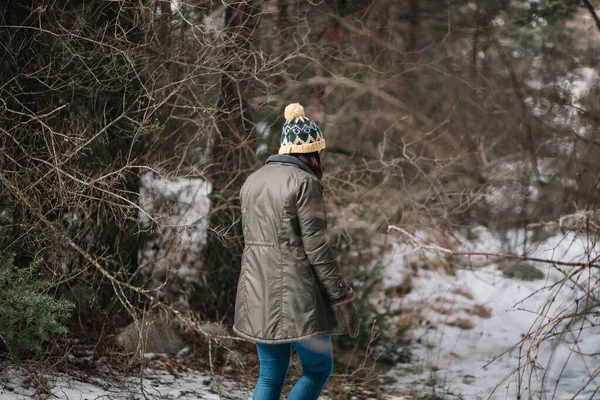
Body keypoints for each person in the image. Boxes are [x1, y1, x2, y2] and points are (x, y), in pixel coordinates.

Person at [233, 103, 359, 400]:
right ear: (312, 153)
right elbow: (316, 247)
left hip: (256, 290)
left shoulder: (252, 181)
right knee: (318, 369)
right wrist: (341, 295)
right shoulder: (305, 183)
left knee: (270, 376)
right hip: (298, 298)